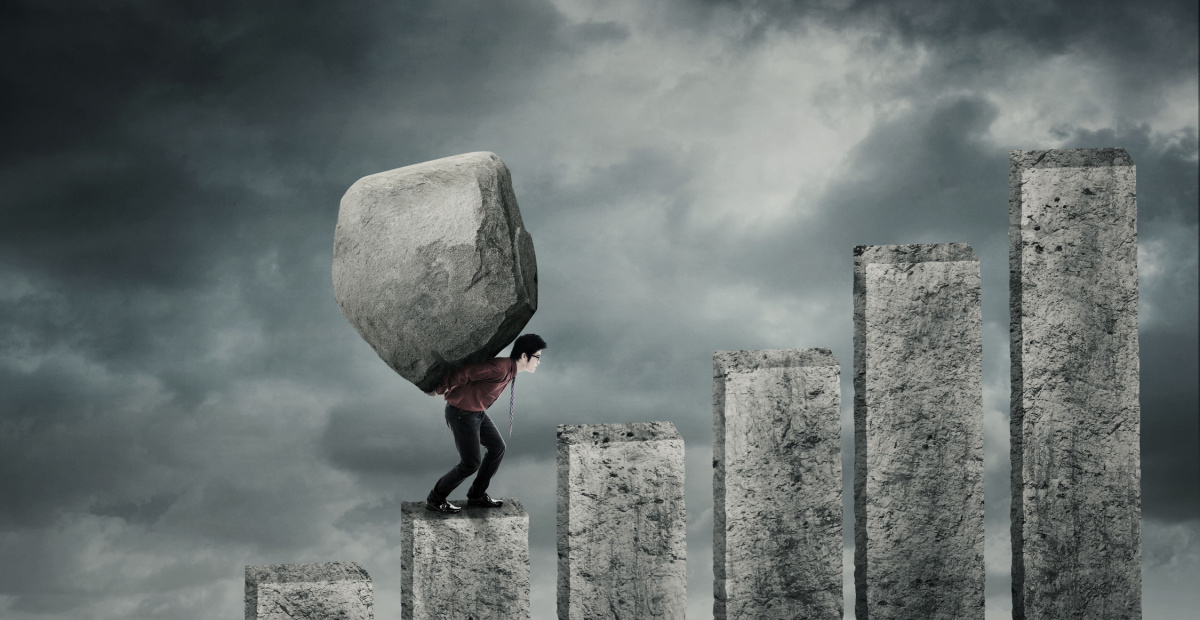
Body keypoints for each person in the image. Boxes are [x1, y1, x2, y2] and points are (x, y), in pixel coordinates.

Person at [423, 333, 547, 513]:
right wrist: (439, 388)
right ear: (524, 356)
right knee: (470, 463)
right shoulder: (499, 368)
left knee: (498, 448)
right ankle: (435, 500)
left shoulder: (510, 371)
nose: (539, 362)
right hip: (461, 414)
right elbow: (465, 372)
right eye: (537, 357)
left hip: (476, 413)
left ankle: (476, 496)